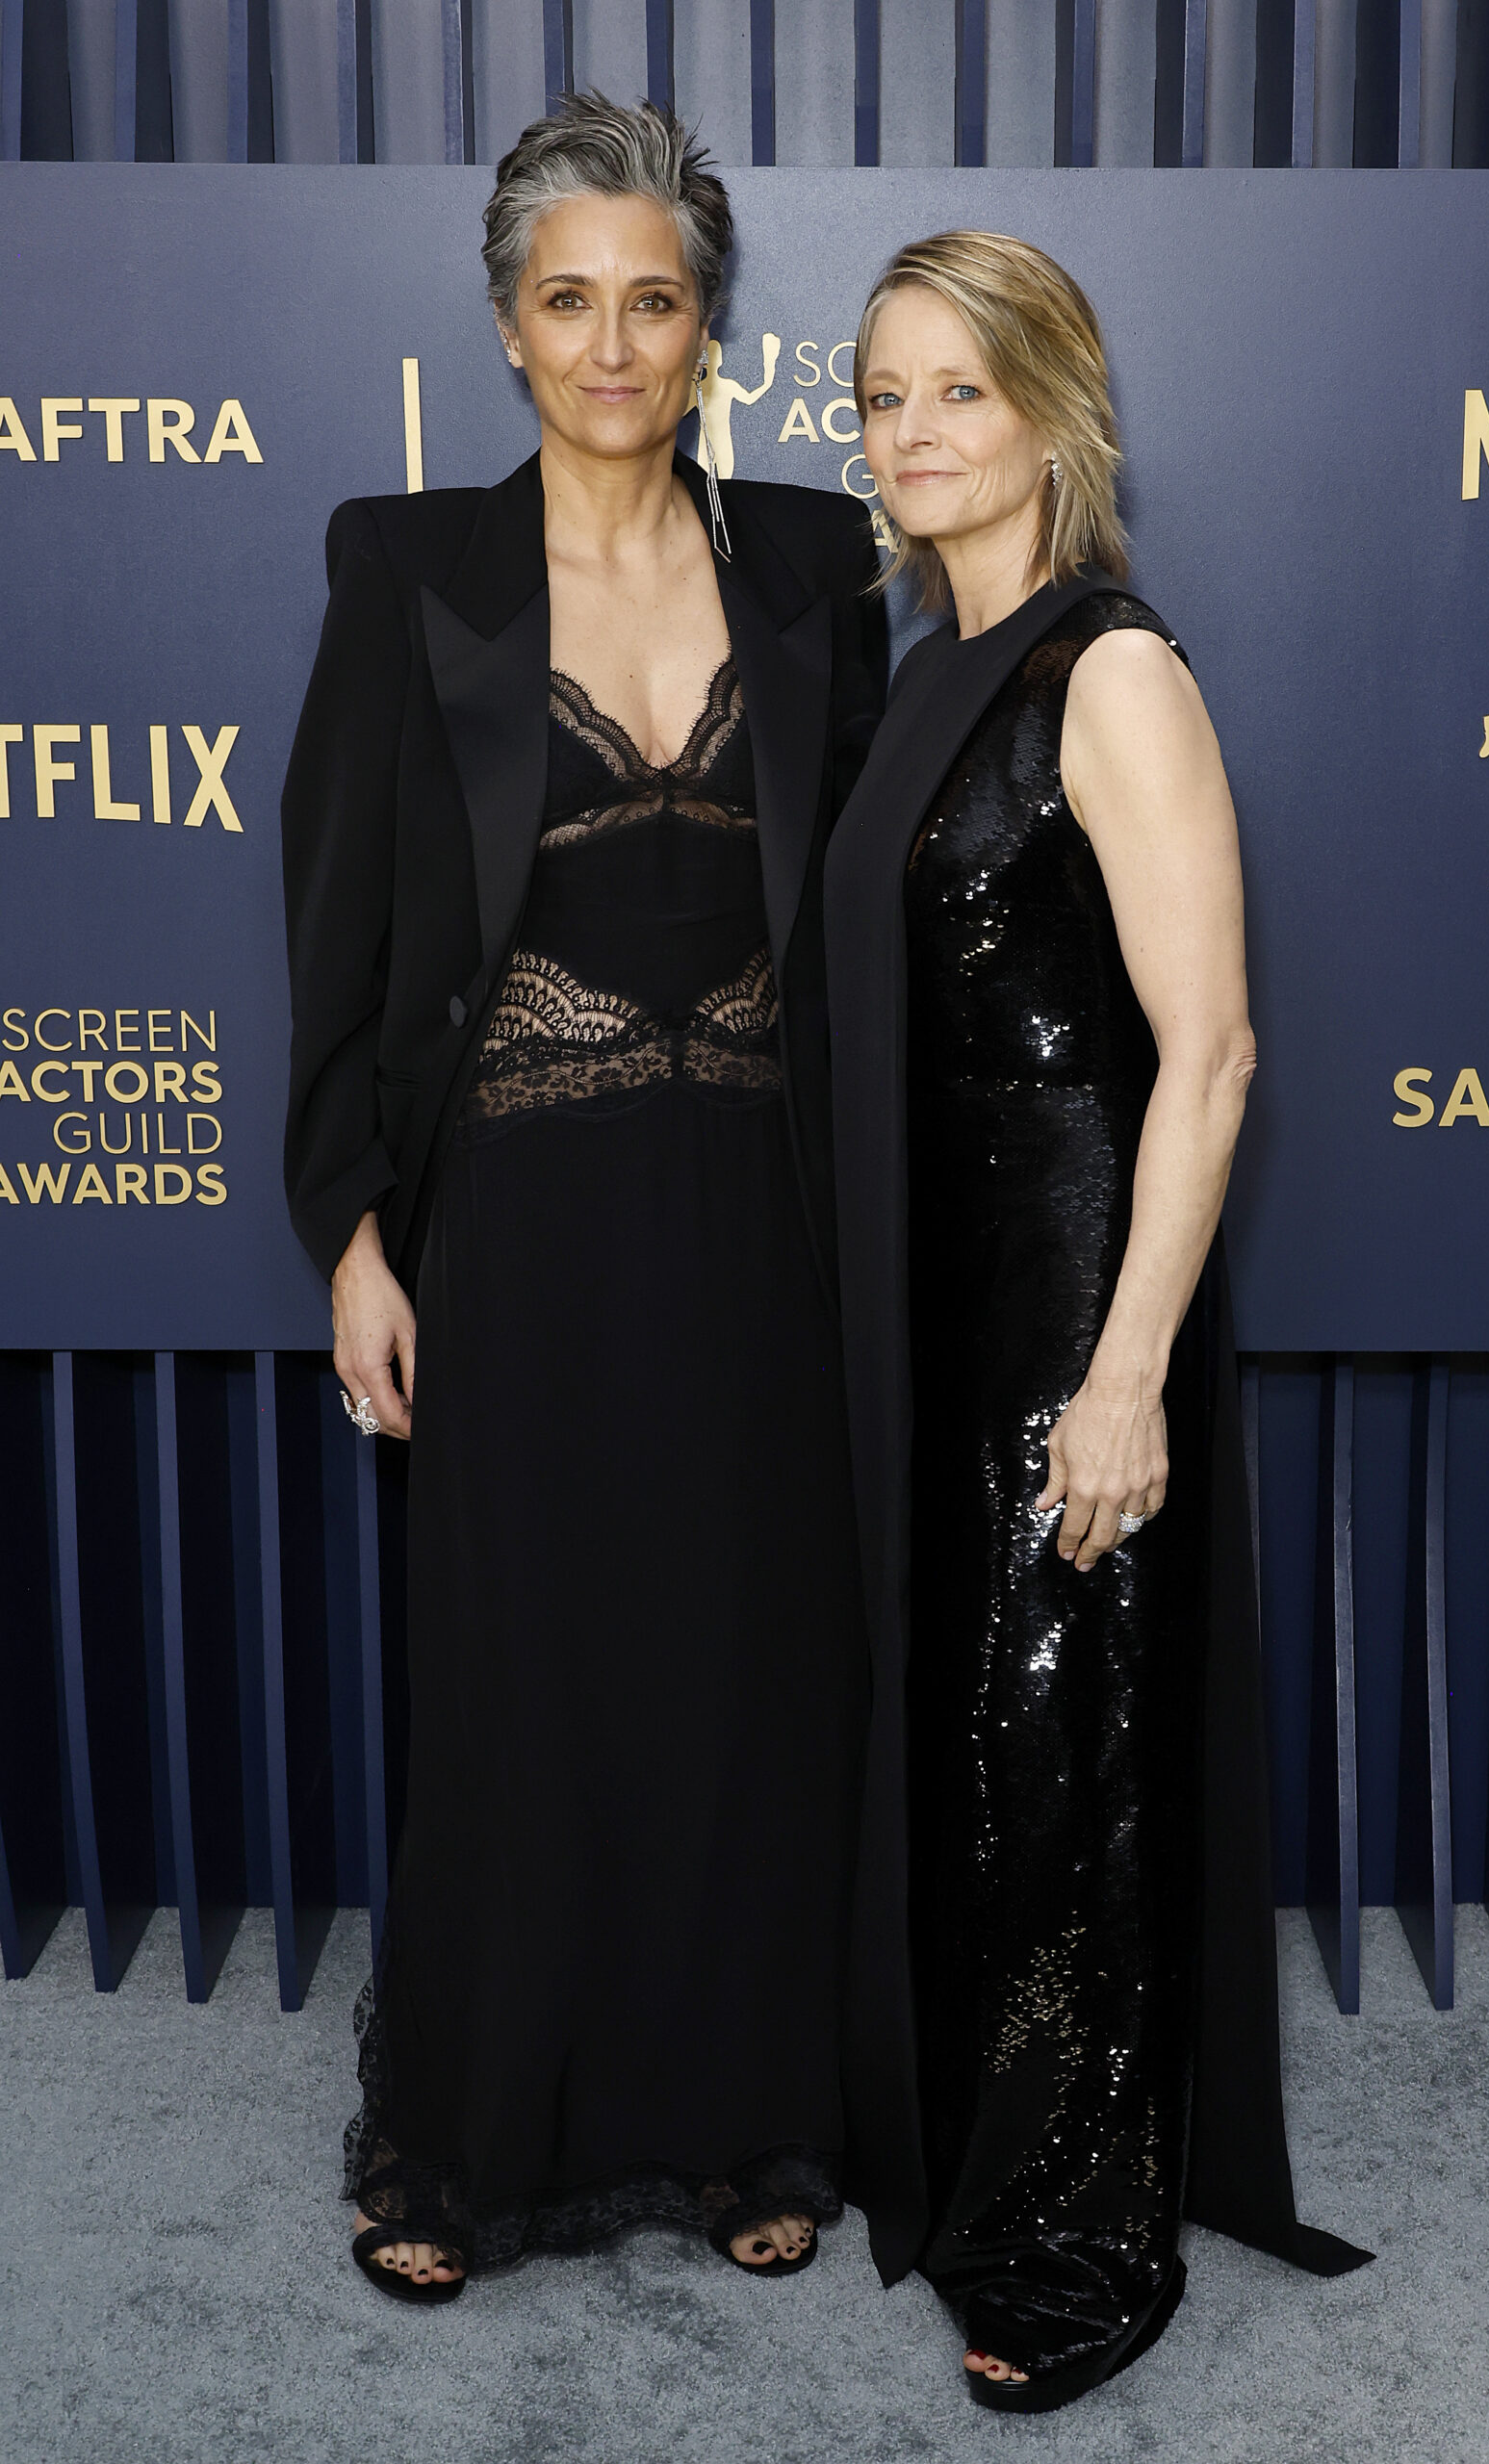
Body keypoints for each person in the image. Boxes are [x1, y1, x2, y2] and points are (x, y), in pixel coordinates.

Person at [280, 94, 890, 2301]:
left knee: (748, 1667)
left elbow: (882, 903)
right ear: (509, 329)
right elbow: (336, 920)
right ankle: (470, 2135)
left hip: (760, 1212)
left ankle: (756, 2107)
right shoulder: (407, 567)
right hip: (516, 1221)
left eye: (653, 297)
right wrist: (350, 1223)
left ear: (707, 324)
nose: (612, 340)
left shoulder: (816, 562)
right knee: (525, 1680)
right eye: (569, 301)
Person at [825, 231, 1369, 2415]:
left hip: (1068, 1293)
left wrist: (1124, 1364)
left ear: (1053, 407)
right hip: (930, 1308)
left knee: (1068, 1767)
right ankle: (976, 2150)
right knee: (967, 1755)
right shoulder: (914, 662)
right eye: (877, 396)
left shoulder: (1109, 673)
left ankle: (1089, 2232)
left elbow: (1210, 1049)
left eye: (955, 389)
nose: (912, 433)